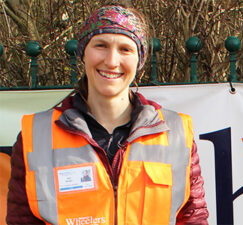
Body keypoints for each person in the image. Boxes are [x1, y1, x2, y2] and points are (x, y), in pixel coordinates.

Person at [7, 3, 209, 225]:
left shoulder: (176, 132)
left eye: (125, 49)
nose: (112, 61)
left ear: (139, 60)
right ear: (83, 53)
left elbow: (193, 219)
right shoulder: (36, 135)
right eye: (101, 45)